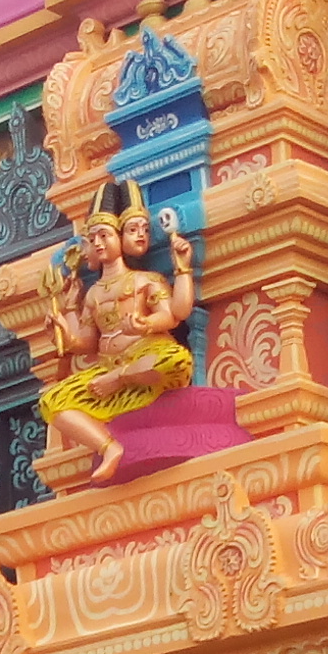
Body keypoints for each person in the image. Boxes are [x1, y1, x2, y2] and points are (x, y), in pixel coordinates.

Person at [38, 184, 198, 484]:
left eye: (105, 236)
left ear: (120, 238)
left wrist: (146, 324)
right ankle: (108, 447)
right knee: (51, 401)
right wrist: (65, 331)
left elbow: (174, 313)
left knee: (176, 361)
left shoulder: (143, 280)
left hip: (142, 363)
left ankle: (121, 378)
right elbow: (87, 343)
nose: (98, 243)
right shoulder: (93, 293)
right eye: (92, 238)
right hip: (106, 368)